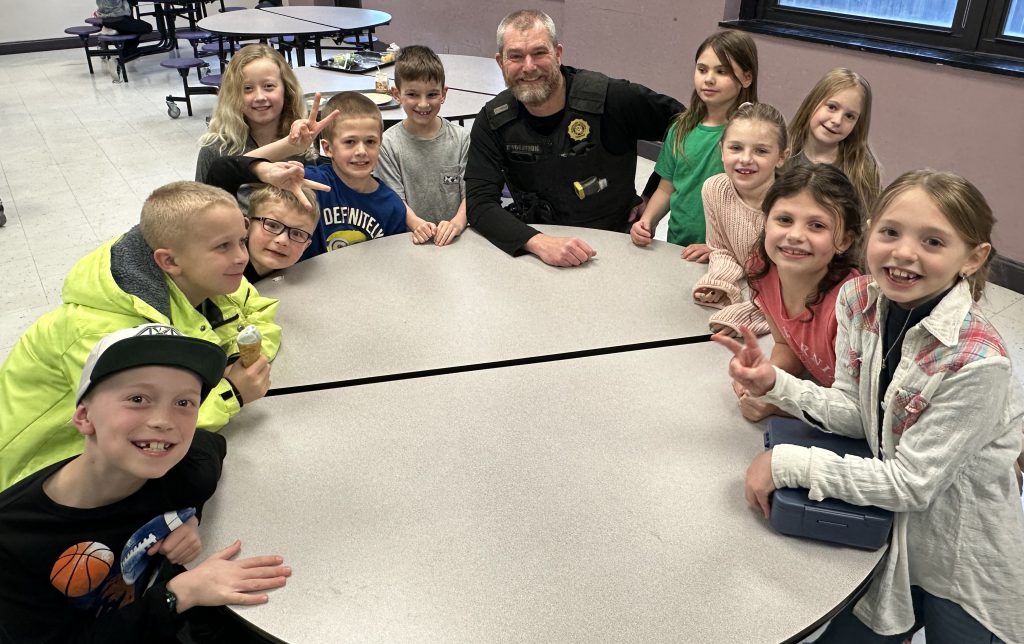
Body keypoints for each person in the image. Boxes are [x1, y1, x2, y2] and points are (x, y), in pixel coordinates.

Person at [715, 170, 1024, 643]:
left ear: (973, 257)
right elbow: (856, 412)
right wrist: (775, 383)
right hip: (885, 530)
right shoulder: (860, 301)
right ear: (870, 233)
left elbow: (912, 484)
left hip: (956, 553)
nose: (903, 253)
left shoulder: (978, 364)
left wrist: (787, 463)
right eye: (891, 232)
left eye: (934, 242)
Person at [0, 324, 291, 643]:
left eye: (184, 403)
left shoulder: (180, 470)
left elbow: (211, 449)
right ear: (84, 417)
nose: (164, 421)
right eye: (138, 398)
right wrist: (177, 594)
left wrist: (188, 517)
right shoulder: (14, 539)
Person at [0, 181, 280, 491]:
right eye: (223, 246)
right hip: (43, 480)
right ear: (169, 261)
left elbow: (259, 309)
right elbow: (141, 429)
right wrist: (232, 393)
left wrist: (237, 358)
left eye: (241, 241)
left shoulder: (208, 274)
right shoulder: (106, 336)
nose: (242, 257)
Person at [465, 9, 683, 267]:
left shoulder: (613, 98)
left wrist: (653, 195)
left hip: (616, 247)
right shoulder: (493, 120)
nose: (528, 66)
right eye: (515, 56)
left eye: (539, 52)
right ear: (500, 62)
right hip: (537, 253)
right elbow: (479, 204)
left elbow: (686, 127)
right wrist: (538, 242)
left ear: (558, 54)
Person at [724, 164, 862, 421]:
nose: (796, 235)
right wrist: (766, 378)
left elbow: (861, 410)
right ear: (766, 221)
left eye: (817, 225)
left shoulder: (852, 307)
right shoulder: (763, 269)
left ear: (843, 241)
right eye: (784, 220)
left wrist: (780, 402)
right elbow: (788, 344)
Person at [631, 29, 758, 262]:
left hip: (729, 255)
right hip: (678, 248)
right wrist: (647, 221)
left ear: (746, 77)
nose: (709, 78)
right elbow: (667, 187)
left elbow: (758, 205)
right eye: (702, 70)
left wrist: (721, 248)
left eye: (722, 71)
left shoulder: (753, 135)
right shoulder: (681, 128)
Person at [688, 102, 789, 337]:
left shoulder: (791, 207)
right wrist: (720, 280)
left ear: (781, 157)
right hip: (751, 290)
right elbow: (722, 249)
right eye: (735, 148)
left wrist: (751, 313)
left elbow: (799, 287)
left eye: (761, 151)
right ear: (721, 150)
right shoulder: (715, 189)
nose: (746, 159)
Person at [195, 44, 310, 213]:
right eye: (247, 89)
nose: (259, 97)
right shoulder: (214, 148)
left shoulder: (303, 142)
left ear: (287, 90)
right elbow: (199, 215)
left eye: (269, 86)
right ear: (233, 95)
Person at [377, 45, 470, 247]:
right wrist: (417, 224)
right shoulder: (387, 145)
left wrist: (457, 223)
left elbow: (470, 194)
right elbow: (394, 198)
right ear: (396, 94)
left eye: (432, 94)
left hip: (457, 242)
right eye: (412, 94)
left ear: (444, 94)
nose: (423, 104)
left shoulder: (462, 139)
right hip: (409, 240)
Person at [784, 68, 882, 213]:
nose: (837, 121)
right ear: (812, 102)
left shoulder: (862, 170)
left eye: (849, 116)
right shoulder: (781, 152)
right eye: (832, 107)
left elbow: (864, 228)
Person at [243, 185, 318, 282]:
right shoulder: (221, 277)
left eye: (296, 233)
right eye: (273, 225)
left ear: (306, 246)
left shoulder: (300, 276)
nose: (283, 240)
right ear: (246, 226)